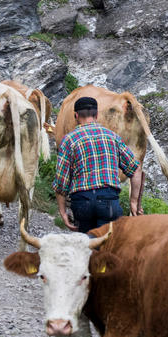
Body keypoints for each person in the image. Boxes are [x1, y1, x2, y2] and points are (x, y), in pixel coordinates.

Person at [52, 96, 142, 234]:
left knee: (88, 248)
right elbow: (136, 169)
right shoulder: (112, 137)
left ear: (76, 115)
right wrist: (134, 202)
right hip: (109, 201)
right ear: (97, 115)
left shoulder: (69, 140)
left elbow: (61, 184)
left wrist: (63, 213)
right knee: (108, 248)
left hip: (82, 203)